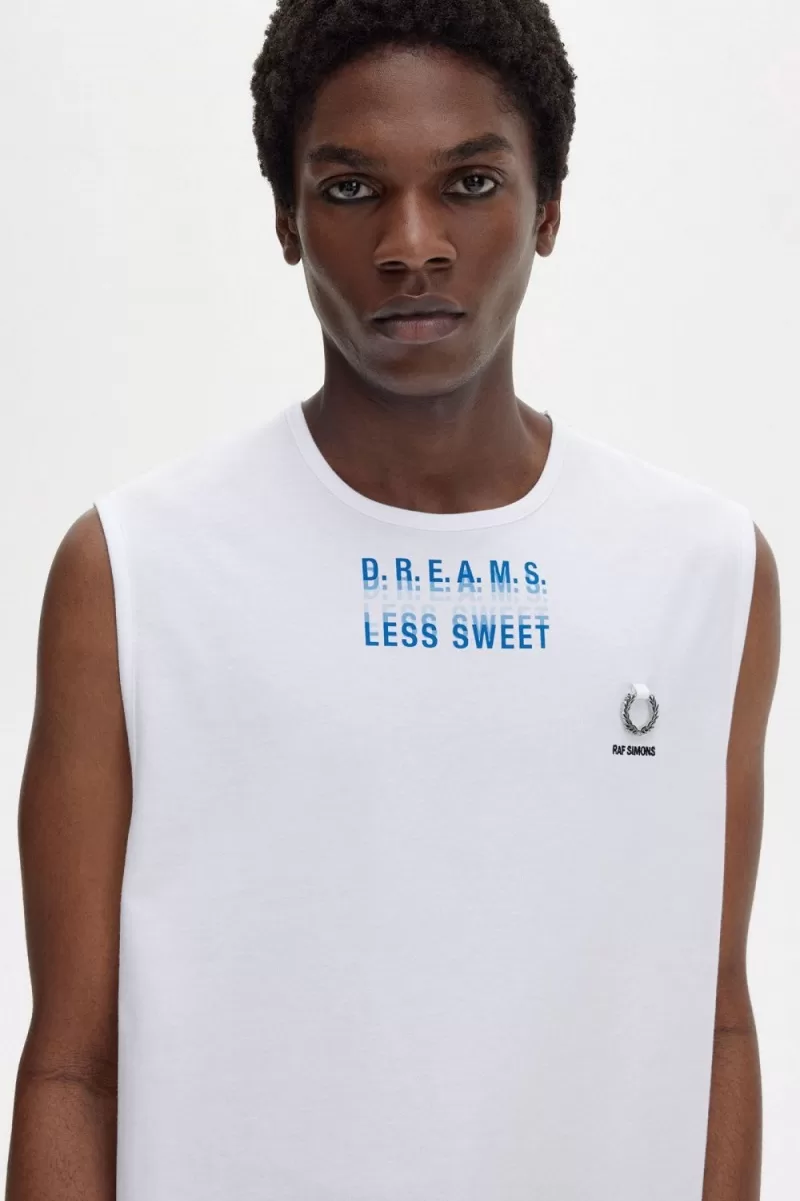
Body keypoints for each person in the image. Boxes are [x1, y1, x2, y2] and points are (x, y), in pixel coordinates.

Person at [7, 2, 780, 1198]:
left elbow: (710, 1021)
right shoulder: (134, 568)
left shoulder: (701, 569)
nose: (411, 244)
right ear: (285, 218)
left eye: (469, 183)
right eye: (351, 189)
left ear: (547, 207)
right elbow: (73, 1065)